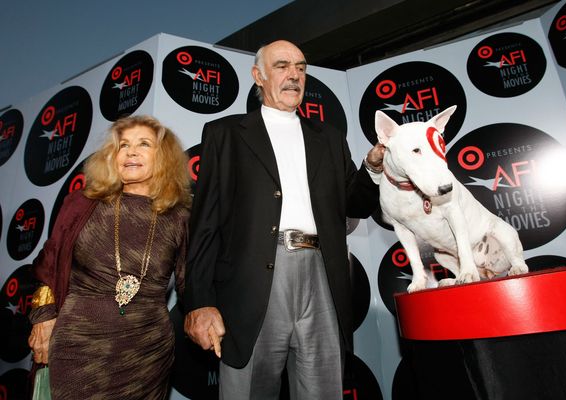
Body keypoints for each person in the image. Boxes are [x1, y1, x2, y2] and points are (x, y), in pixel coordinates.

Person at [184, 39, 385, 399]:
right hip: (252, 282)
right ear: (258, 76)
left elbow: (353, 205)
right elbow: (204, 227)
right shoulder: (224, 135)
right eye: (282, 66)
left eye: (301, 67)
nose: (294, 75)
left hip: (323, 277)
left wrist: (371, 168)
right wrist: (199, 301)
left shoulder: (330, 138)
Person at [27, 115, 191, 399]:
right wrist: (42, 318)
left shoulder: (179, 218)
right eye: (123, 145)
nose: (131, 151)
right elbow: (47, 266)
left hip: (147, 353)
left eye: (144, 144)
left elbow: (193, 285)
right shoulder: (82, 204)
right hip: (77, 346)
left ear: (163, 157)